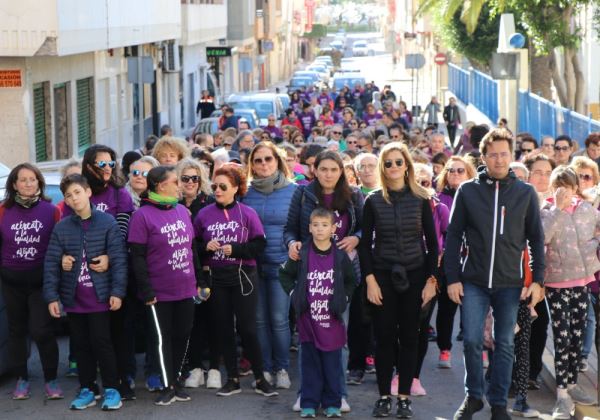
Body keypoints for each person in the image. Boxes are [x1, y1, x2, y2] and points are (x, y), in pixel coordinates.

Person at [445, 128, 545, 420]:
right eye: (493, 154)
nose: (499, 160)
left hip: (511, 284)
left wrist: (538, 280)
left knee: (505, 342)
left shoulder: (525, 193)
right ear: (484, 156)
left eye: (504, 154)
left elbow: (536, 239)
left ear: (511, 155)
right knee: (473, 340)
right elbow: (452, 236)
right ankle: (474, 396)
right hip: (474, 280)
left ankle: (499, 402)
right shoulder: (468, 190)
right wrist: (452, 278)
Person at [359, 143, 439, 418]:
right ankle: (383, 396)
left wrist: (432, 280)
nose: (393, 167)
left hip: (415, 275)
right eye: (388, 163)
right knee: (383, 337)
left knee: (410, 337)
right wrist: (370, 280)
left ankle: (404, 396)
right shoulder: (372, 200)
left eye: (398, 162)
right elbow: (364, 245)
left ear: (407, 165)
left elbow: (432, 243)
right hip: (382, 275)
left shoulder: (421, 198)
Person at [284, 150, 364, 413]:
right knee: (308, 340)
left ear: (341, 171)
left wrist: (357, 238)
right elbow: (290, 229)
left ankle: (337, 395)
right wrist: (292, 243)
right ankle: (306, 395)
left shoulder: (354, 195)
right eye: (323, 169)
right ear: (314, 170)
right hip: (309, 273)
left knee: (336, 340)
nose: (329, 174)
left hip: (339, 274)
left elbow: (365, 226)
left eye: (334, 169)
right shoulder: (302, 193)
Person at [44, 174, 127, 411]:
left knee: (102, 343)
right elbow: (50, 262)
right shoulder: (62, 227)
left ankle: (112, 388)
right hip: (74, 300)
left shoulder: (107, 222)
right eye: (68, 196)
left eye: (77, 192)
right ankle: (87, 388)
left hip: (100, 298)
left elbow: (119, 259)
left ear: (88, 192)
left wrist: (117, 292)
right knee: (80, 346)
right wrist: (52, 296)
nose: (73, 198)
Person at [194, 164, 277, 398]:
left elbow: (260, 245)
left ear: (235, 189)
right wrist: (204, 247)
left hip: (243, 277)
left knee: (248, 328)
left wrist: (237, 249)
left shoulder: (247, 213)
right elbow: (193, 247)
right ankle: (231, 379)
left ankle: (260, 378)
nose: (217, 191)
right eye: (214, 186)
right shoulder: (204, 214)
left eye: (223, 187)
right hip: (217, 278)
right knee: (223, 329)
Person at [127, 166, 204, 405]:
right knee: (163, 339)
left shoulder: (182, 211)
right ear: (161, 186)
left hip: (185, 286)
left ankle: (177, 380)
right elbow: (137, 257)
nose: (179, 185)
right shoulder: (142, 216)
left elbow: (192, 249)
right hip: (158, 291)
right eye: (174, 181)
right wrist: (147, 290)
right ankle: (167, 383)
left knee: (182, 335)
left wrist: (200, 280)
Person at [279, 208, 356, 419]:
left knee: (332, 365)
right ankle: (309, 403)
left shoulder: (340, 256)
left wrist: (345, 297)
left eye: (324, 225)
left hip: (332, 321)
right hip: (308, 320)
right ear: (310, 227)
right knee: (310, 364)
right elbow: (284, 274)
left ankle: (333, 403)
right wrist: (295, 293)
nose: (320, 229)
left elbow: (351, 280)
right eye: (316, 225)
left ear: (333, 229)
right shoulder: (302, 253)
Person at [541, 166, 599, 418]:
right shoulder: (547, 211)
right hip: (556, 282)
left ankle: (573, 383)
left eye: (569, 185)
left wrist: (591, 248)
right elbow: (542, 237)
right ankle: (562, 394)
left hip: (582, 280)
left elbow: (597, 232)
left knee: (577, 336)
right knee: (562, 338)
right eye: (559, 185)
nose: (565, 190)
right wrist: (557, 209)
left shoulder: (588, 210)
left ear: (577, 187)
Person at [0, 164, 62, 400]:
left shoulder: (51, 211)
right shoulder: (3, 211)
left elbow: (59, 245)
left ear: (39, 183)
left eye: (32, 179)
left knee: (41, 330)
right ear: (14, 184)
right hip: (11, 282)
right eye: (23, 180)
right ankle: (22, 379)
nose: (28, 184)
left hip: (41, 283)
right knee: (17, 332)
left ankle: (51, 379)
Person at [242, 141, 298, 389]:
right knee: (258, 320)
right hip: (252, 265)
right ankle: (263, 368)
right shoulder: (245, 192)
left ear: (278, 161)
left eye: (268, 159)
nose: (263, 164)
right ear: (251, 165)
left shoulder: (295, 191)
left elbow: (299, 226)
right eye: (258, 160)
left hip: (281, 264)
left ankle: (282, 368)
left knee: (279, 319)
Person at [433, 156, 476, 369]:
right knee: (446, 308)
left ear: (469, 173)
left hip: (473, 261)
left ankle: (481, 350)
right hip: (447, 261)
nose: (456, 174)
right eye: (451, 170)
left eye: (461, 170)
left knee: (474, 308)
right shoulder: (438, 199)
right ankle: (444, 348)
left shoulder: (478, 197)